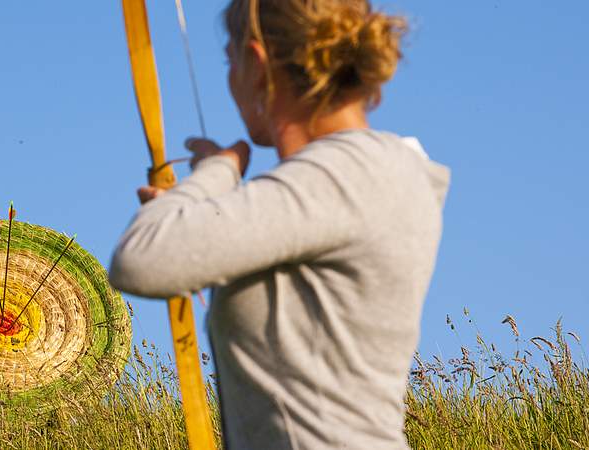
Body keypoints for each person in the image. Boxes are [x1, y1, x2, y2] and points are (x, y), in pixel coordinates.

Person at [109, 0, 450, 448]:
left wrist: (217, 171)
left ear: (256, 62)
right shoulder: (358, 178)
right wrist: (195, 215)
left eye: (231, 61)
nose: (230, 80)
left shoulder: (350, 174)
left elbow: (142, 258)